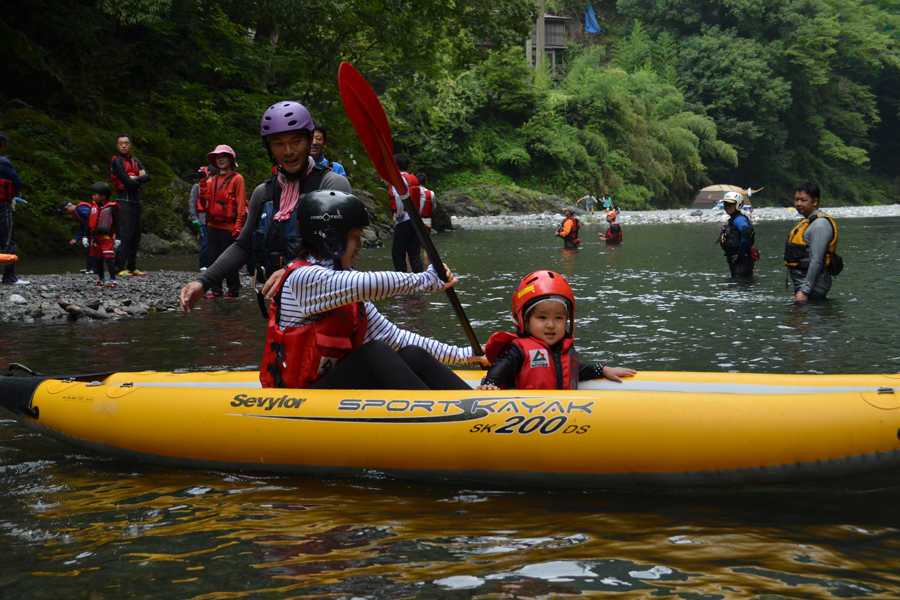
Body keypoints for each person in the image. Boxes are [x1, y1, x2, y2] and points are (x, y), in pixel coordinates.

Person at [260, 190, 488, 389]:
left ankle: (472, 410)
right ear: (332, 238)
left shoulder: (344, 287)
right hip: (299, 398)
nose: (360, 246)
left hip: (330, 390)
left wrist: (465, 354)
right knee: (374, 353)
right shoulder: (304, 280)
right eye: (356, 238)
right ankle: (439, 421)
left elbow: (393, 336)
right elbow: (370, 284)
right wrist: (427, 280)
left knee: (410, 352)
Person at [179, 101, 352, 313]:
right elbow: (243, 246)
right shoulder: (264, 193)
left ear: (308, 141)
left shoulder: (332, 185)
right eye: (278, 144)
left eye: (296, 141)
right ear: (269, 147)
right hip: (284, 308)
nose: (288, 151)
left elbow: (342, 249)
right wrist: (203, 282)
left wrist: (291, 271)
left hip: (329, 304)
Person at [476, 270, 636, 390]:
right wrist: (491, 383)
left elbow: (574, 369)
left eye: (558, 318)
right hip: (526, 414)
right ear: (525, 321)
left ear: (568, 319)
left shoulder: (563, 348)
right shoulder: (518, 350)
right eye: (542, 318)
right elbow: (502, 365)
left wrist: (603, 369)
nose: (551, 325)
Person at [199, 146, 246, 298]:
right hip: (212, 225)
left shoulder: (237, 179)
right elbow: (205, 200)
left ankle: (233, 291)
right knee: (212, 259)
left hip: (229, 227)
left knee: (229, 260)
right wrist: (203, 182)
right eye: (218, 157)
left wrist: (238, 226)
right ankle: (216, 290)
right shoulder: (213, 179)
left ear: (231, 159)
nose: (220, 159)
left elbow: (240, 204)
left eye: (224, 156)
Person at [785, 182, 840, 301]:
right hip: (804, 285)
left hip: (812, 288)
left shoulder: (820, 225)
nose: (798, 203)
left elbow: (817, 260)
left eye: (803, 200)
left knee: (807, 319)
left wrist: (805, 291)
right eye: (796, 199)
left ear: (814, 202)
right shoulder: (808, 222)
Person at [110, 134, 151, 277]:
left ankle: (132, 266)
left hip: (136, 201)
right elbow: (128, 182)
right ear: (117, 146)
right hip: (123, 201)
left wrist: (137, 178)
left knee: (136, 234)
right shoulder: (116, 162)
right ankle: (118, 267)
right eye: (120, 143)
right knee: (125, 234)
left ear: (130, 146)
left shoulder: (135, 160)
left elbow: (149, 177)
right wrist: (139, 179)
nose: (123, 146)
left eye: (126, 143)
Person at [0, 132, 28, 285]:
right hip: (2, 205)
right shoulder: (3, 161)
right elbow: (18, 182)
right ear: (2, 145)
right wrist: (14, 195)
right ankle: (9, 277)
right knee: (8, 240)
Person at [390, 153, 424, 273]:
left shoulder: (398, 179)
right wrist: (417, 212)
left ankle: (402, 282)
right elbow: (422, 195)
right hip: (415, 220)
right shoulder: (413, 178)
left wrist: (400, 214)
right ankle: (420, 281)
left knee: (397, 254)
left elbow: (398, 197)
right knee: (414, 254)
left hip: (403, 221)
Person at [84, 182, 120, 287]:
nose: (93, 196)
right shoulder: (93, 207)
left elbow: (117, 224)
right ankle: (101, 278)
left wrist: (118, 237)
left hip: (106, 237)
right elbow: (88, 223)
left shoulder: (112, 208)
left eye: (95, 194)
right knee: (98, 259)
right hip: (95, 237)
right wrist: (85, 236)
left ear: (103, 196)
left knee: (108, 258)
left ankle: (113, 279)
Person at [717, 191, 754, 278]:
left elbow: (747, 231)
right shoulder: (734, 218)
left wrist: (740, 254)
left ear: (738, 205)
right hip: (738, 260)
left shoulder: (738, 219)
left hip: (741, 261)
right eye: (726, 204)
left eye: (731, 204)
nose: (727, 206)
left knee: (739, 284)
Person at [188, 166, 216, 272]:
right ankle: (203, 264)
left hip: (213, 219)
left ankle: (211, 264)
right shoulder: (197, 187)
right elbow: (192, 202)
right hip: (202, 219)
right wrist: (194, 217)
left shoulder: (214, 185)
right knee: (206, 242)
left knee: (213, 243)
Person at [57, 200, 95, 274]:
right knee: (89, 249)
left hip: (95, 231)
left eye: (64, 213)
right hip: (90, 232)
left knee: (93, 249)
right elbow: (83, 228)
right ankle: (89, 268)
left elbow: (93, 218)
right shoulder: (76, 215)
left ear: (66, 209)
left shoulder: (80, 209)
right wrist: (76, 239)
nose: (67, 214)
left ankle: (94, 268)